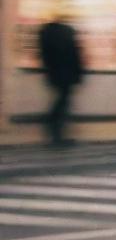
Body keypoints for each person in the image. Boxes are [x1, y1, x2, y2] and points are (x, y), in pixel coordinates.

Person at [38, 13, 83, 146]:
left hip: (54, 73)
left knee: (61, 100)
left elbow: (45, 57)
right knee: (63, 101)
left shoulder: (46, 35)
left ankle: (55, 129)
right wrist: (78, 74)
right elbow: (75, 56)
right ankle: (56, 130)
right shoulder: (67, 35)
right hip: (67, 74)